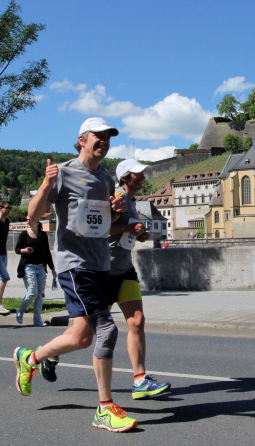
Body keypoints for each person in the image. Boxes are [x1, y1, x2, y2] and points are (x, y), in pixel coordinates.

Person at [14, 117, 138, 433]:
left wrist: (116, 209)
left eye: (108, 137)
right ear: (82, 139)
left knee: (81, 337)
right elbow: (33, 214)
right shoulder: (64, 172)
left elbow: (107, 225)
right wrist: (46, 184)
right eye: (99, 136)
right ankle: (105, 409)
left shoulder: (106, 179)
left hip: (100, 264)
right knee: (106, 329)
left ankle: (30, 359)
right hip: (75, 264)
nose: (104, 141)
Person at [107, 159, 171, 399]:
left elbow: (130, 232)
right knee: (83, 333)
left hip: (125, 269)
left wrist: (140, 234)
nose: (143, 177)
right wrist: (127, 229)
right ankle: (44, 356)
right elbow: (99, 229)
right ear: (125, 177)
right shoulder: (116, 197)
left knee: (137, 321)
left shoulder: (132, 202)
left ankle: (140, 381)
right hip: (105, 271)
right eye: (138, 173)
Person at [14, 219, 55, 326]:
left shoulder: (43, 235)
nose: (28, 222)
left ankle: (37, 320)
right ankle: (20, 310)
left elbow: (47, 252)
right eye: (27, 220)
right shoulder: (23, 234)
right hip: (28, 267)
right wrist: (25, 250)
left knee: (40, 294)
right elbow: (17, 249)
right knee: (32, 293)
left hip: (41, 267)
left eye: (30, 220)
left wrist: (52, 267)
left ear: (37, 221)